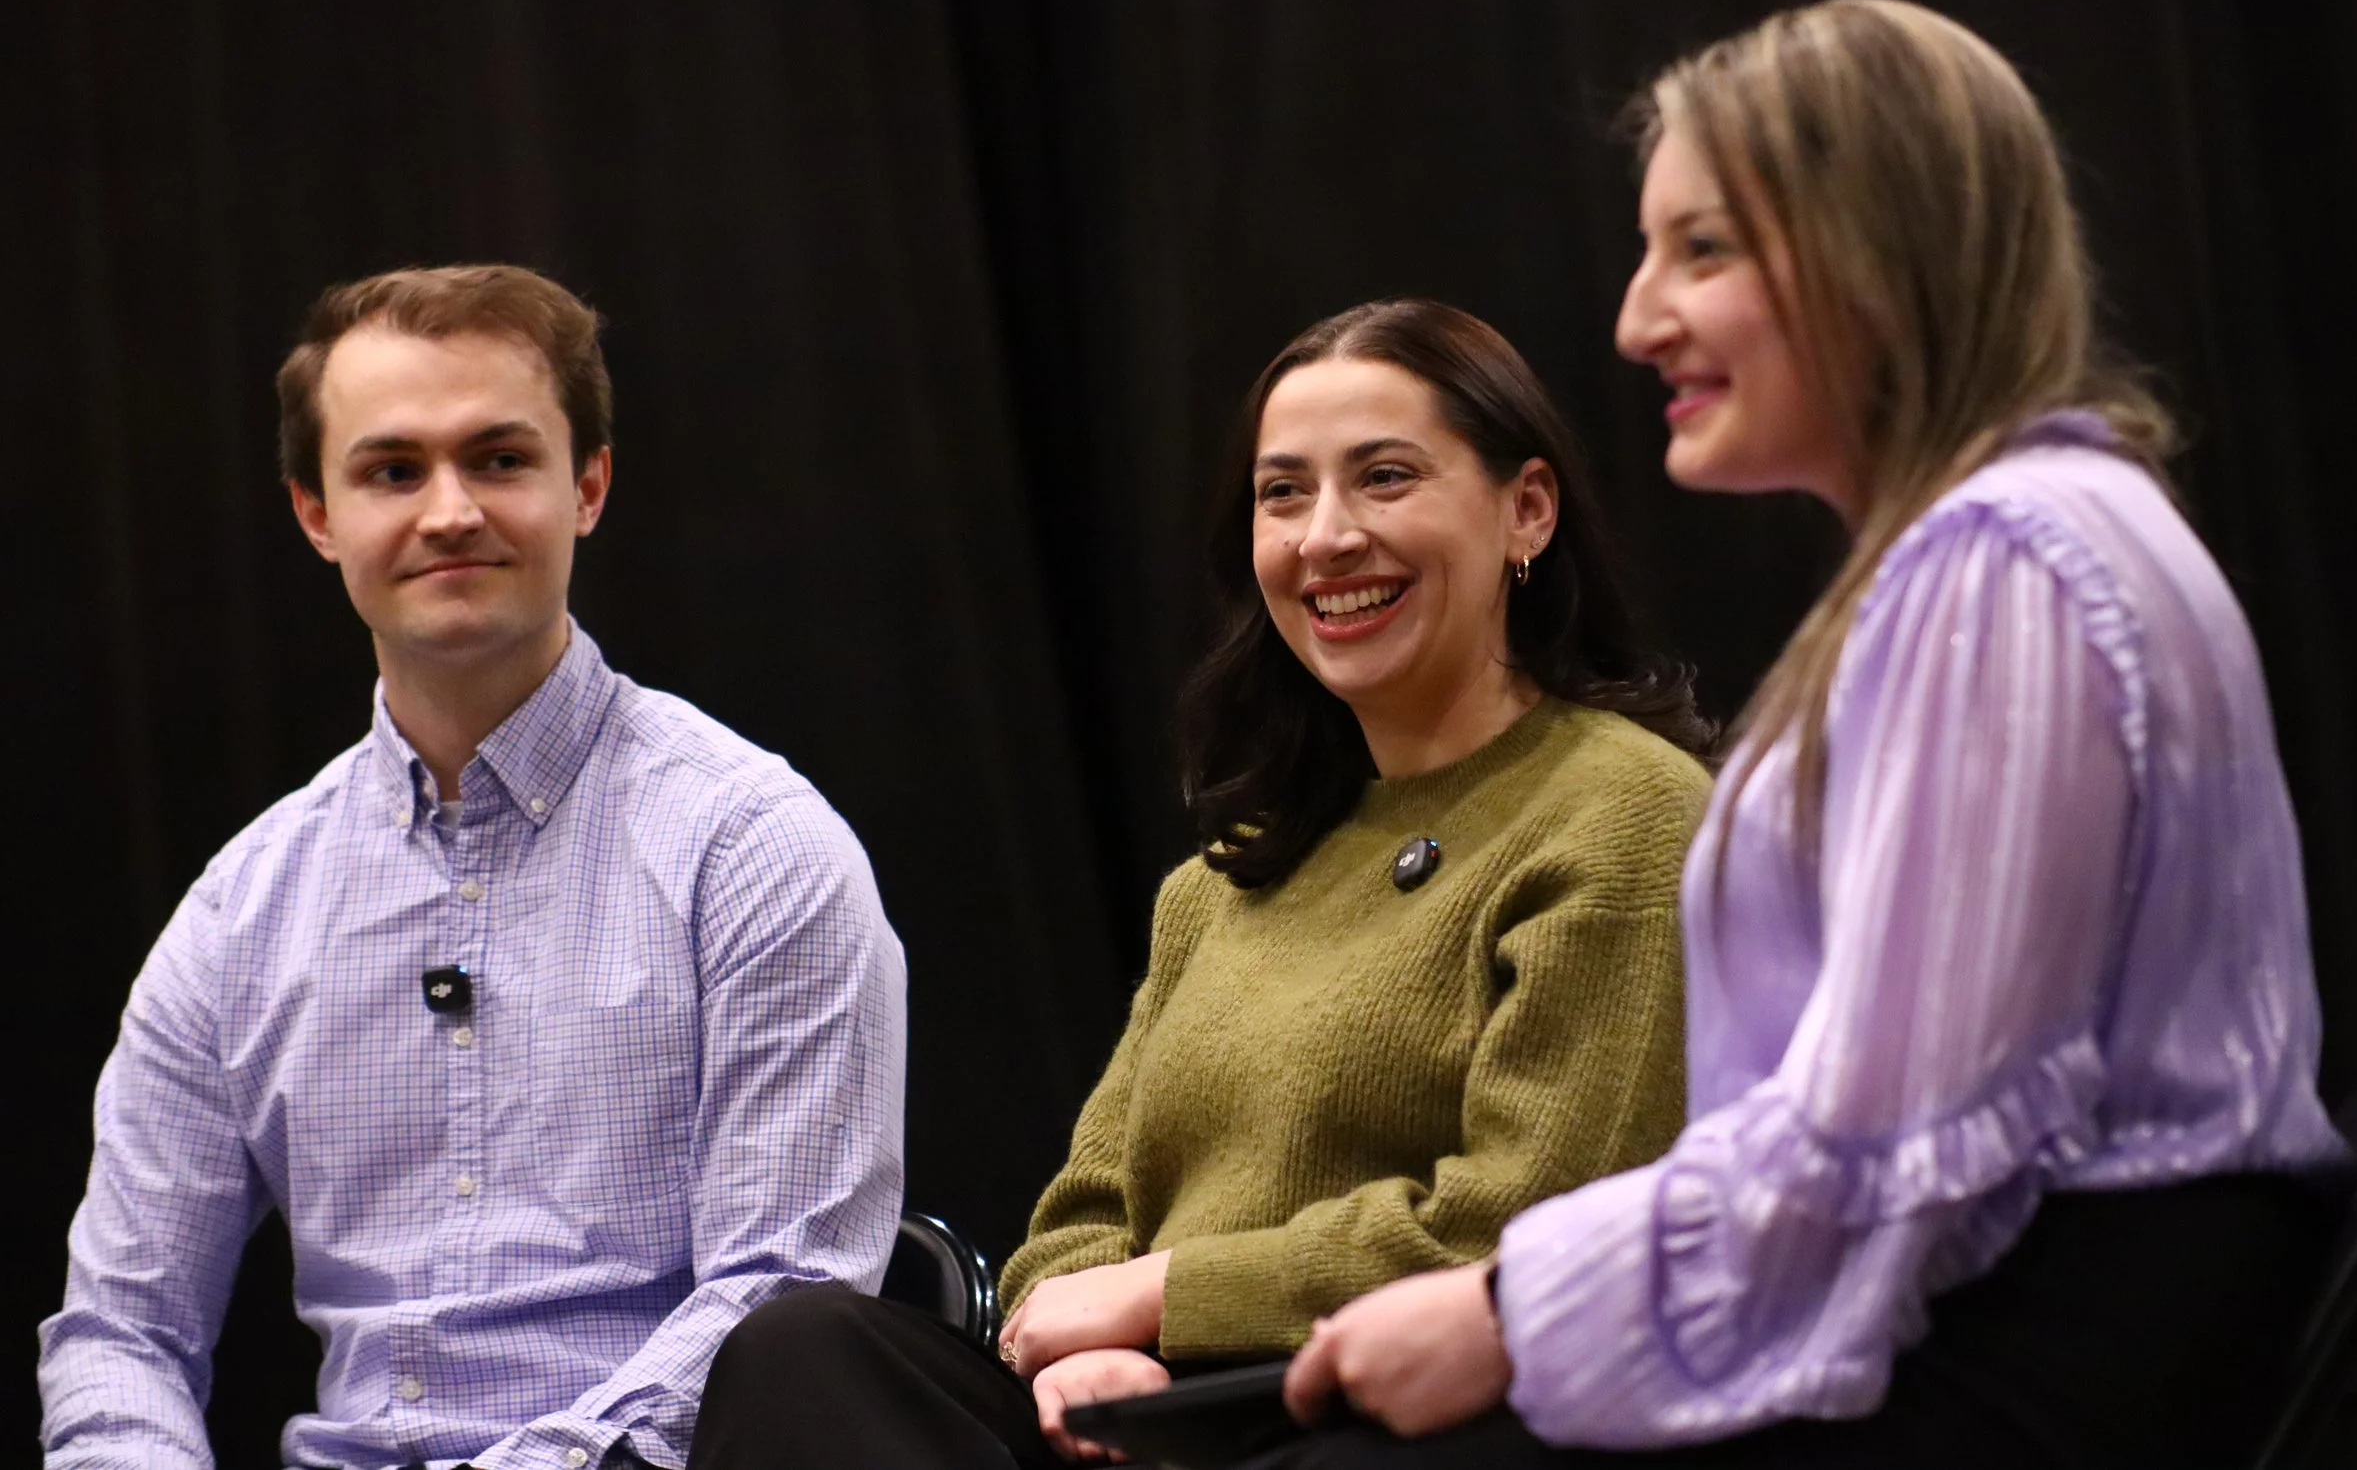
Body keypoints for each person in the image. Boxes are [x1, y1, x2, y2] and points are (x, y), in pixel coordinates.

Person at [1259, 0, 2353, 1469]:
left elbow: (1890, 1141)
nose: (1639, 318)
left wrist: (1514, 1304)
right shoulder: (2015, 540)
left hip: (2048, 1351)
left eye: (1704, 249)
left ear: (1879, 249)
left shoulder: (2006, 562)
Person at [687, 299, 1715, 1468]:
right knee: (804, 1346)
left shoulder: (1623, 811)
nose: (1325, 537)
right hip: (1138, 1414)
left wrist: (1165, 1295)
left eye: (1383, 477)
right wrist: (1081, 1345)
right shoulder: (1234, 869)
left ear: (1526, 507)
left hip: (1391, 1411)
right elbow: (1081, 1212)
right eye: (1284, 493)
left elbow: (1524, 1231)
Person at [37, 265, 908, 1470]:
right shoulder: (241, 913)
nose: (449, 510)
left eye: (499, 458)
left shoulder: (750, 846)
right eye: (393, 470)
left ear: (587, 484)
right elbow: (121, 1330)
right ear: (315, 512)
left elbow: (784, 1293)